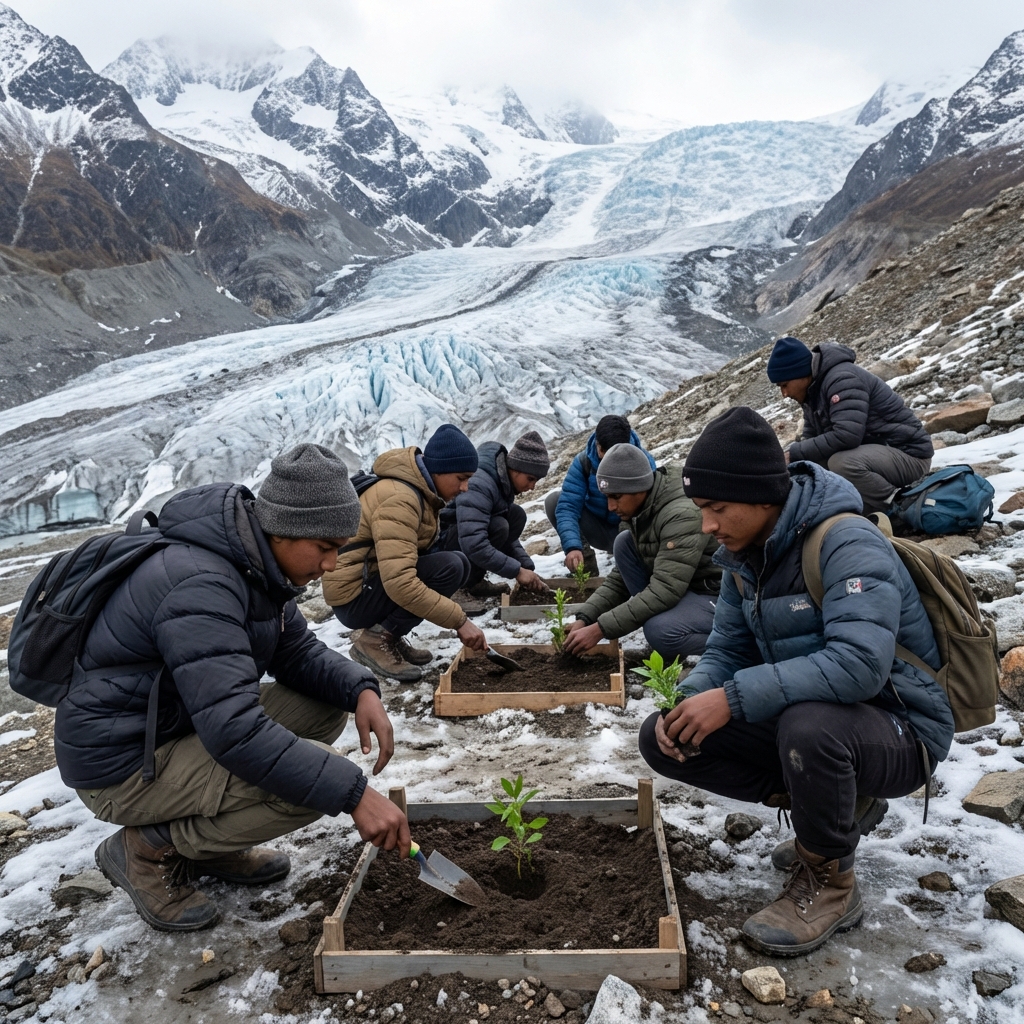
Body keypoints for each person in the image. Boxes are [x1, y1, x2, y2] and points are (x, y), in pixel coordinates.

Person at [638, 407, 953, 956]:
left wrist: (732, 699)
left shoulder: (846, 542)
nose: (707, 525)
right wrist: (691, 697)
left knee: (811, 728)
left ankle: (831, 883)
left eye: (717, 508)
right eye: (701, 509)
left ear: (762, 497)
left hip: (902, 728)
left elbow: (859, 664)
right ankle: (830, 812)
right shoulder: (745, 558)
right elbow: (727, 649)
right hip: (817, 719)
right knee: (665, 735)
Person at [59, 444, 408, 932]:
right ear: (282, 529)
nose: (331, 564)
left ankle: (211, 843)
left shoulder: (255, 564)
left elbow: (296, 652)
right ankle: (145, 847)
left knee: (324, 707)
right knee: (311, 789)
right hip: (121, 763)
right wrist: (354, 794)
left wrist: (360, 690)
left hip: (171, 725)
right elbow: (235, 731)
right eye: (325, 547)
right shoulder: (201, 584)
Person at [324, 424, 488, 682]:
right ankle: (375, 641)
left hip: (368, 584)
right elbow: (399, 582)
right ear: (440, 470)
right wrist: (460, 621)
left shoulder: (418, 491)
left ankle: (389, 635)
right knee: (451, 566)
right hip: (353, 598)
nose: (465, 487)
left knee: (457, 563)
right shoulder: (401, 498)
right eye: (461, 477)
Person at [564, 443, 719, 660]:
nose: (610, 506)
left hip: (715, 595)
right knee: (624, 543)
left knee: (660, 631)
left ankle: (737, 649)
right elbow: (620, 580)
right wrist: (585, 618)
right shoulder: (640, 512)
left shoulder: (680, 514)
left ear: (639, 487)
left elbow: (665, 589)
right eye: (607, 497)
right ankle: (667, 643)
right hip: (685, 587)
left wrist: (600, 629)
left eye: (616, 496)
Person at [767, 335, 933, 514]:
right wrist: (791, 458)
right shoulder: (812, 390)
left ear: (799, 373)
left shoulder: (841, 379)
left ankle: (897, 505)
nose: (784, 394)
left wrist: (794, 453)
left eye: (785, 385)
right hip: (876, 456)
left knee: (841, 463)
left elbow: (847, 435)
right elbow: (810, 436)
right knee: (806, 465)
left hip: (910, 456)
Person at [440, 430, 551, 597]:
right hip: (442, 547)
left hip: (463, 538)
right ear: (516, 469)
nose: (532, 487)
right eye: (530, 479)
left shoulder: (501, 482)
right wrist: (517, 571)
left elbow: (509, 540)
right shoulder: (480, 484)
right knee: (499, 526)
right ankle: (463, 585)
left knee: (515, 515)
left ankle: (473, 581)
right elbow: (474, 543)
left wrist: (525, 566)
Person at [546, 414, 657, 576]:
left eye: (612, 452)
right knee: (554, 501)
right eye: (602, 450)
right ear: (597, 444)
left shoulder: (642, 464)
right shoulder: (584, 462)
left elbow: (649, 510)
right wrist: (573, 547)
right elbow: (568, 506)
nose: (605, 457)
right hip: (598, 529)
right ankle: (586, 566)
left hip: (629, 532)